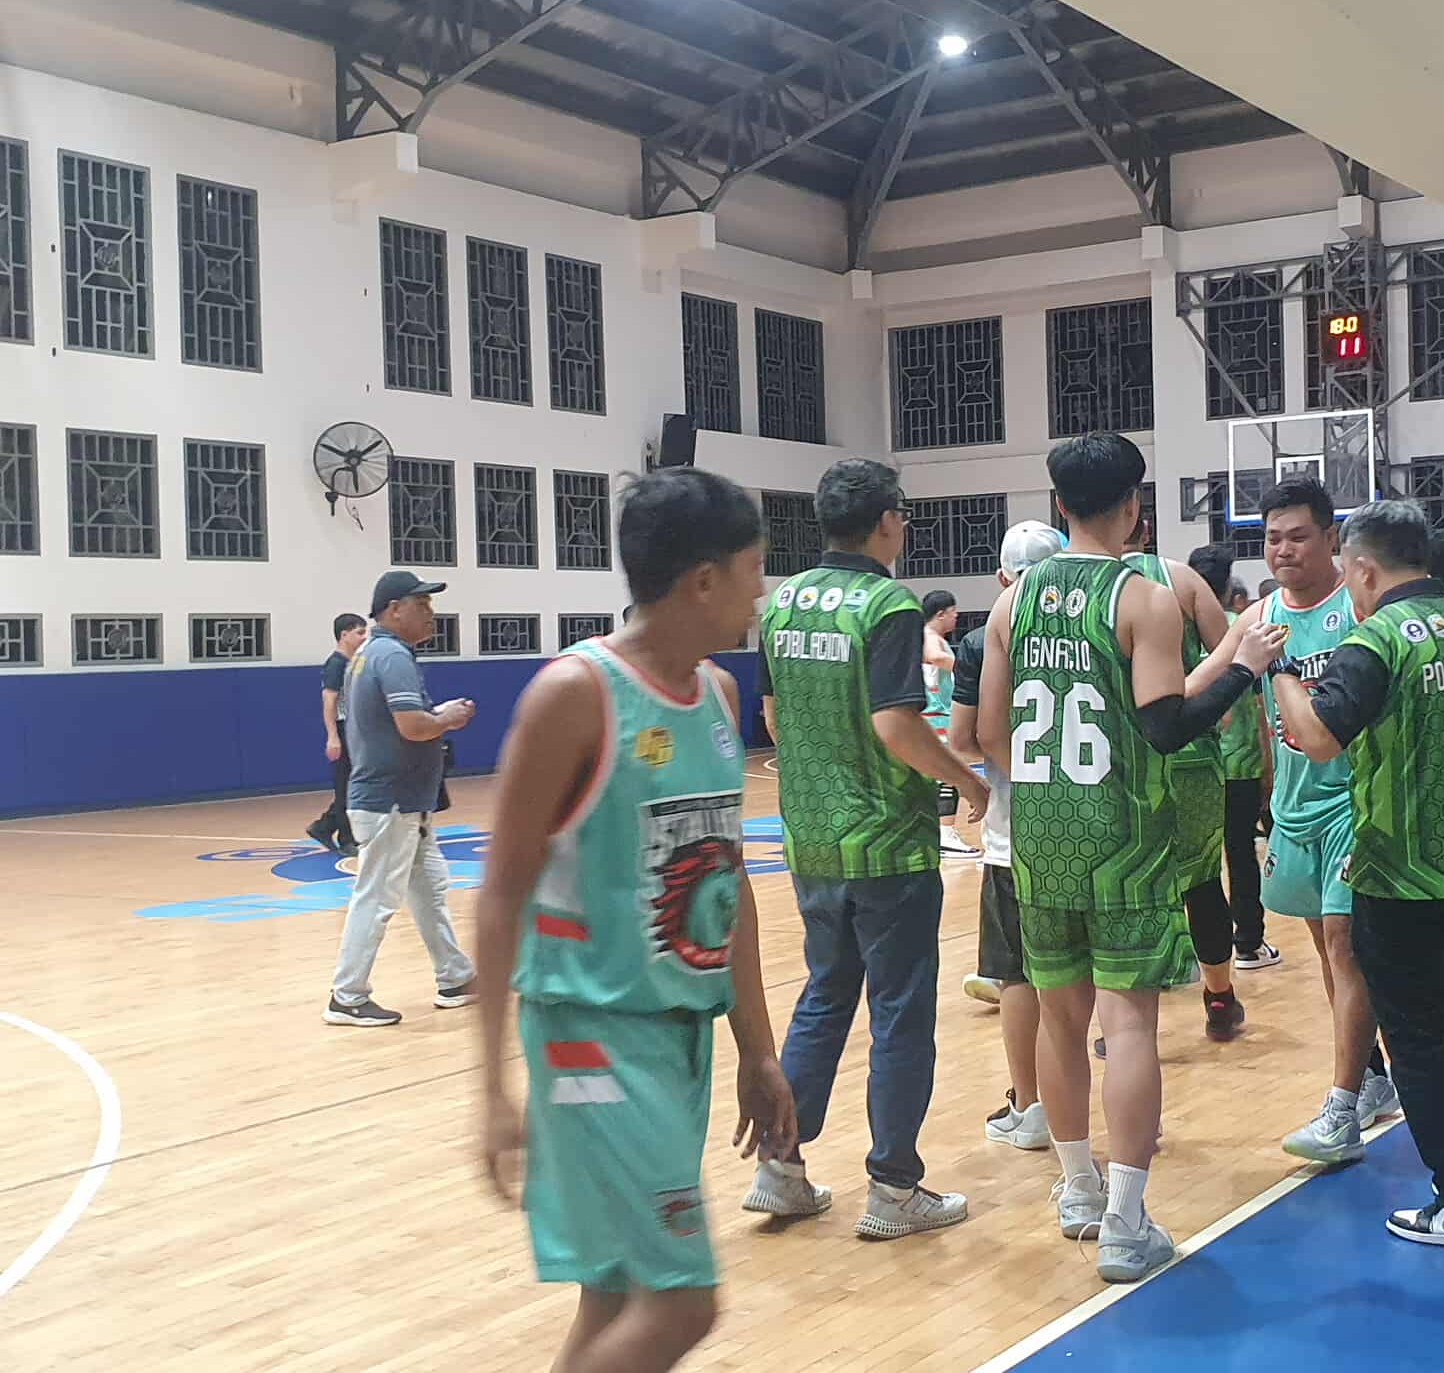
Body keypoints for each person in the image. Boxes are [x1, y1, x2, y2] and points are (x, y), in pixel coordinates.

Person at [474, 470, 796, 1373]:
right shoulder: (574, 695)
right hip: (591, 1036)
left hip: (677, 1037)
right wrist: (490, 1089)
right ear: (704, 579)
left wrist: (757, 1049)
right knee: (684, 1303)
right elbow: (499, 894)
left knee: (615, 1297)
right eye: (754, 570)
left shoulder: (719, 698)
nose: (761, 592)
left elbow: (728, 888)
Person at [977, 431, 1284, 1284]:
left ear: (1059, 505)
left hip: (1039, 845)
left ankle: (1076, 1189)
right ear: (1133, 505)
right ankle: (1123, 1222)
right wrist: (1242, 669)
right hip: (1126, 840)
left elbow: (991, 735)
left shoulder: (1010, 603)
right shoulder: (1142, 595)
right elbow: (1166, 726)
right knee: (1130, 1026)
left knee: (1060, 1021)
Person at [1270, 501, 1444, 1249]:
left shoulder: (1377, 639)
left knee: (1418, 1041)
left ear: (1362, 568)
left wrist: (1282, 671)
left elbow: (1317, 738)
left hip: (1401, 876)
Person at [747, 458, 989, 1240]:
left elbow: (773, 717)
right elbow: (895, 725)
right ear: (887, 520)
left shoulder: (782, 602)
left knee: (824, 994)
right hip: (887, 847)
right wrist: (967, 781)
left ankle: (780, 1167)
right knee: (900, 1013)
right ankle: (894, 1187)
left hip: (811, 841)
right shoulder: (887, 604)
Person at [1201, 477, 1399, 1163]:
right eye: (1272, 538)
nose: (1282, 549)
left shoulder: (1361, 604)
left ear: (1330, 539)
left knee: (1346, 945)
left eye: (1297, 536)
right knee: (1325, 949)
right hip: (1293, 804)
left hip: (1357, 801)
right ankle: (1371, 1074)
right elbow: (1204, 683)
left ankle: (1342, 1108)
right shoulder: (1258, 617)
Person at [949, 518, 1068, 1147]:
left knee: (1018, 977)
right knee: (1096, 980)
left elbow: (963, 738)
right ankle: (1126, 1113)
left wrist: (996, 772)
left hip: (1015, 832)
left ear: (1002, 578)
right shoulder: (1096, 622)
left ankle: (1032, 1107)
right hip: (1092, 826)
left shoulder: (981, 640)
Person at [321, 572, 478, 1026]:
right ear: (393, 610)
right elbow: (412, 726)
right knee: (375, 899)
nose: (431, 613)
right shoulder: (391, 656)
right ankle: (347, 996)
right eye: (421, 605)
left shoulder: (371, 654)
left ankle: (455, 978)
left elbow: (400, 722)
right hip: (390, 802)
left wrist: (435, 717)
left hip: (404, 803)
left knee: (429, 891)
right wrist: (447, 718)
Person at [1121, 528, 1244, 1039]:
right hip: (1191, 754)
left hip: (1120, 760)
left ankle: (1126, 1017)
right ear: (1142, 525)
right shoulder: (1183, 580)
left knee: (1129, 885)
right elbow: (1230, 654)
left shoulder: (1084, 589)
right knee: (1202, 882)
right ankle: (1219, 999)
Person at [1196, 552, 1279, 971]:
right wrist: (1269, 764)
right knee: (1241, 852)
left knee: (1197, 862)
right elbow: (1262, 704)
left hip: (1195, 764)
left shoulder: (1179, 629)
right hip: (1241, 763)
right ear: (1229, 586)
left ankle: (1196, 951)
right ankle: (1248, 942)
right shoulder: (1243, 629)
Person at [921, 589, 979, 858]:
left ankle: (937, 834)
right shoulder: (930, 637)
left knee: (940, 778)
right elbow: (935, 656)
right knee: (948, 777)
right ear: (941, 614)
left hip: (934, 718)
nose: (957, 617)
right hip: (937, 719)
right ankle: (945, 835)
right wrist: (966, 669)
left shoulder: (924, 637)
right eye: (953, 612)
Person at [307, 612, 368, 859]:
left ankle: (323, 826)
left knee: (354, 783)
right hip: (343, 729)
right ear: (344, 635)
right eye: (359, 632)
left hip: (355, 729)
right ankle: (346, 838)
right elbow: (329, 700)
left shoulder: (354, 661)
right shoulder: (336, 664)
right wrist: (333, 736)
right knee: (346, 786)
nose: (364, 637)